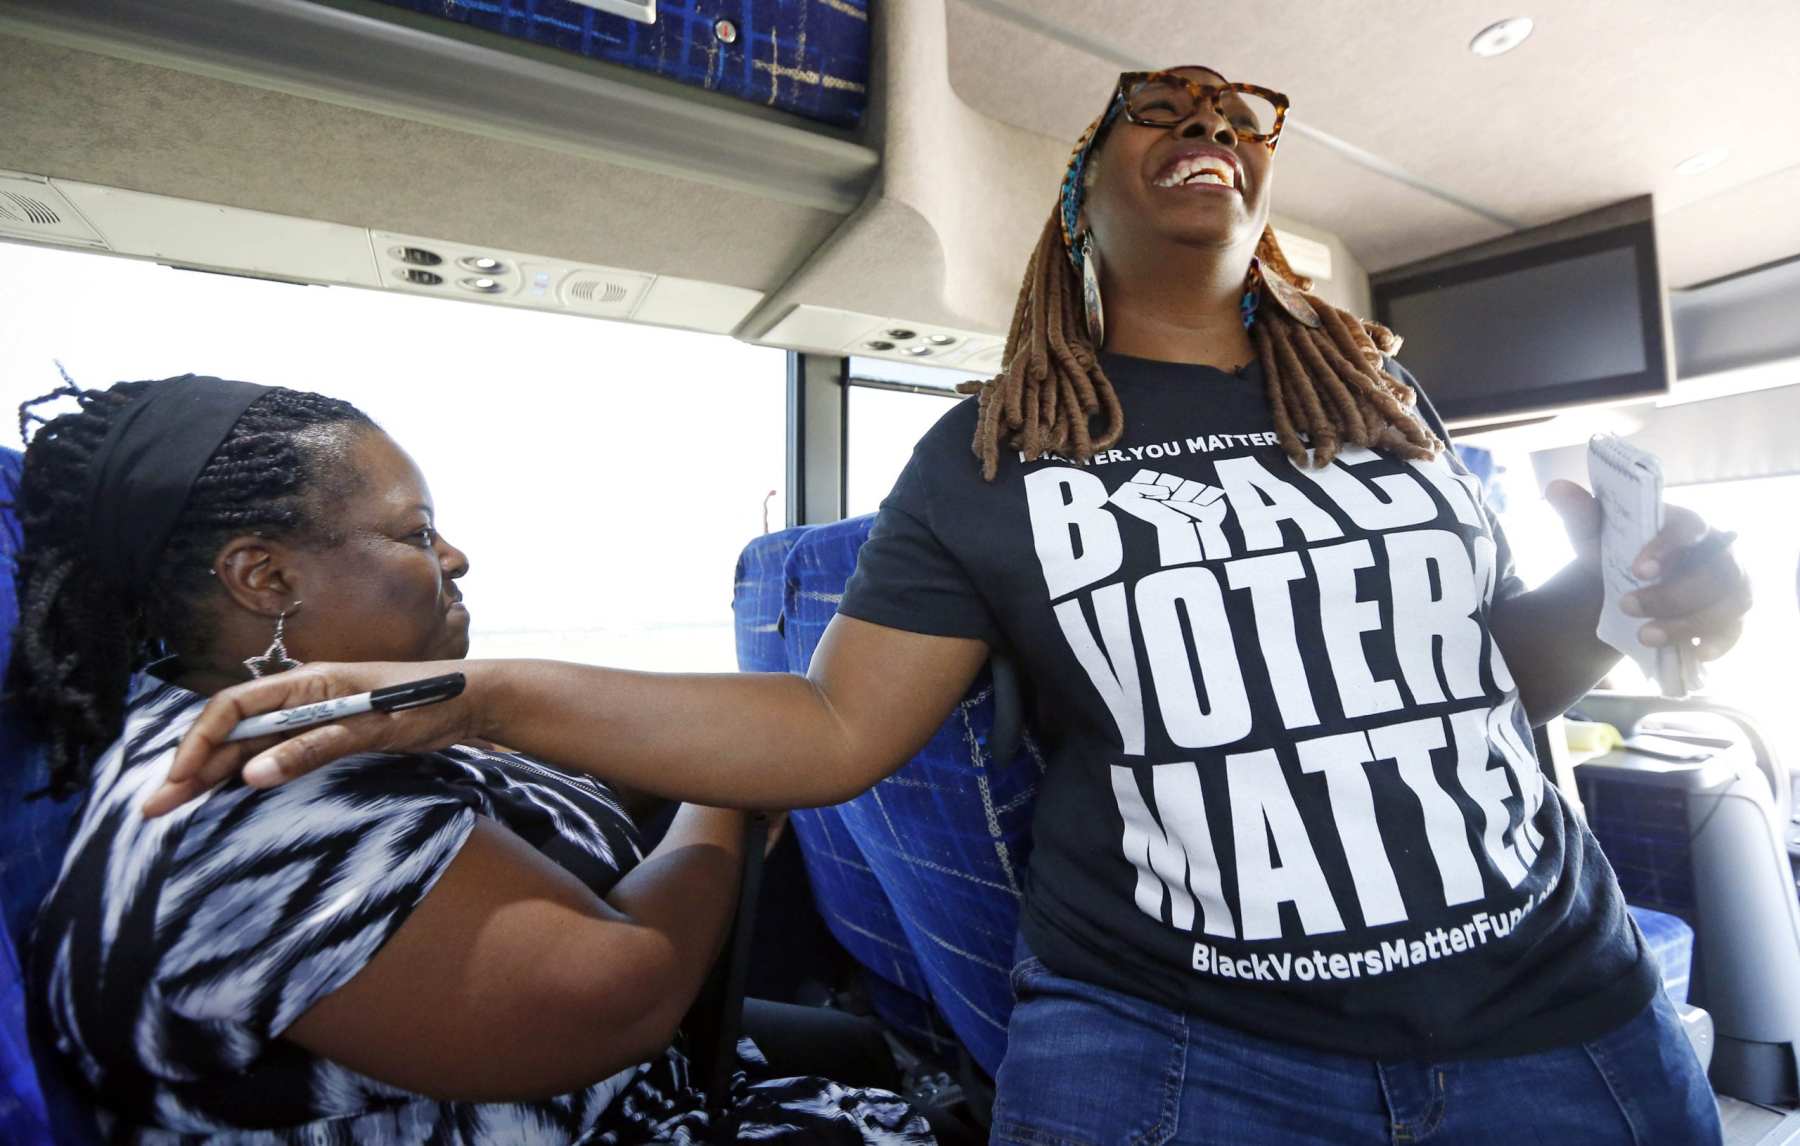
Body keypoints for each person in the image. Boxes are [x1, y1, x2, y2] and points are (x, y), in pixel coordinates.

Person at [148, 66, 1752, 1144]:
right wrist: (487, 692)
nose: (1208, 122)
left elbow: (1470, 681)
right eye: (1155, 111)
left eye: (1237, 113)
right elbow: (837, 721)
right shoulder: (999, 449)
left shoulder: (1395, 414)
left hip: (1573, 1016)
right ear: (1077, 201)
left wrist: (1629, 599)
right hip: (1185, 1047)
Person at [9, 375, 934, 1145]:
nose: (455, 555)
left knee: (856, 1048)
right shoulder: (239, 798)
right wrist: (730, 796)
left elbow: (523, 785)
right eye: (414, 533)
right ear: (265, 577)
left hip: (640, 1092)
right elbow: (618, 1002)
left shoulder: (306, 717)